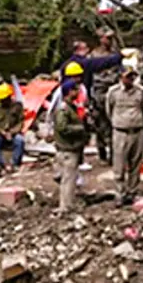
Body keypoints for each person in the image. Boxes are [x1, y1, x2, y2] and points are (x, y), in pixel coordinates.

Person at [106, 63, 143, 206]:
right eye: (128, 77)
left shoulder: (140, 91)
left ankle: (132, 192)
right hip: (120, 132)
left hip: (137, 131)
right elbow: (108, 110)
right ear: (121, 77)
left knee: (136, 164)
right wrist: (118, 123)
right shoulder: (113, 92)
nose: (131, 80)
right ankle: (120, 193)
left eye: (133, 77)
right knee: (119, 165)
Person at [53, 78, 90, 212]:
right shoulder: (64, 109)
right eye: (75, 89)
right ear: (69, 92)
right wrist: (80, 128)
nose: (77, 92)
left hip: (71, 147)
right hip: (68, 149)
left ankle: (66, 204)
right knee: (68, 179)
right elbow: (63, 127)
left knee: (67, 178)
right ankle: (66, 206)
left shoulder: (71, 108)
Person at [89, 31, 124, 164]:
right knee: (100, 124)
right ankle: (102, 152)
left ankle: (113, 155)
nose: (108, 41)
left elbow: (121, 71)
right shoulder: (95, 54)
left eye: (111, 38)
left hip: (113, 91)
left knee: (113, 124)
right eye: (106, 38)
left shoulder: (115, 54)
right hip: (99, 91)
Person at [0, 82, 25, 174]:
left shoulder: (17, 106)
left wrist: (12, 132)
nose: (2, 101)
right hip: (0, 133)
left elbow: (21, 122)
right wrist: (0, 131)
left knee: (20, 141)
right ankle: (0, 165)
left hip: (14, 133)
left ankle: (15, 164)